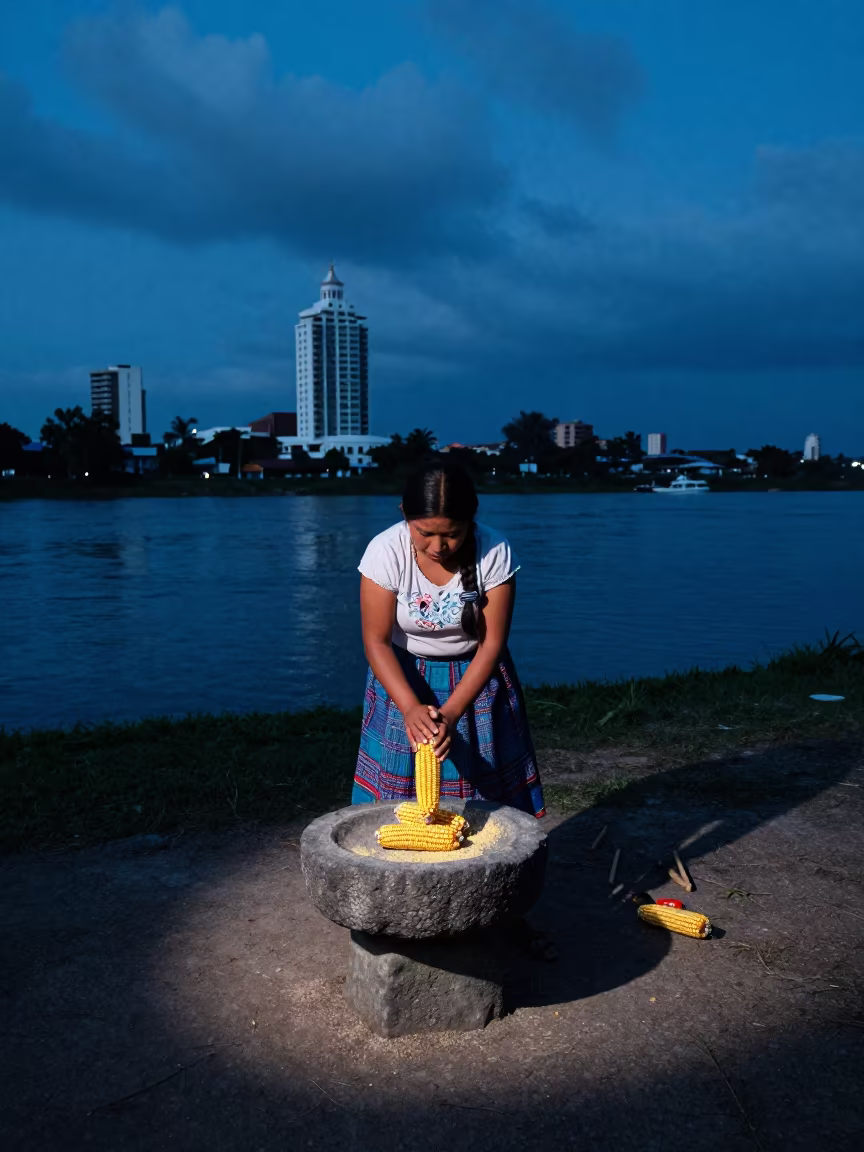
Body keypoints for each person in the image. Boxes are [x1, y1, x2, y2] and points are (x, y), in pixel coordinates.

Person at [352, 461, 545, 817]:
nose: (438, 546)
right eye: (424, 533)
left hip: (476, 680)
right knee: (401, 785)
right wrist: (410, 707)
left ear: (471, 521)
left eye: (452, 534)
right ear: (404, 514)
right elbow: (376, 642)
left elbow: (492, 644)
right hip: (403, 676)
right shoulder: (385, 551)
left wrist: (453, 711)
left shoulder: (494, 552)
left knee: (484, 790)